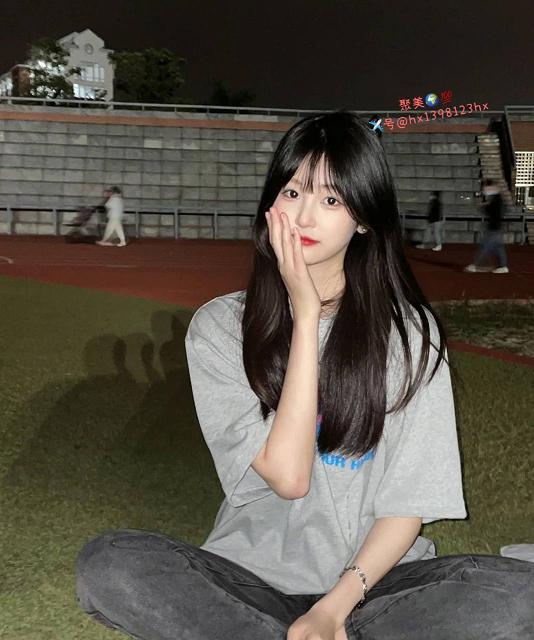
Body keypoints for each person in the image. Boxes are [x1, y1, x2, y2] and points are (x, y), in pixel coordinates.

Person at [75, 112, 534, 640]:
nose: (305, 217)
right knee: (109, 563)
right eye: (293, 193)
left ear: (363, 219)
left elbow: (405, 507)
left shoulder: (409, 333)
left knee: (518, 594)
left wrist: (333, 608)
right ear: (271, 204)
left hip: (375, 584)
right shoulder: (220, 328)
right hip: (250, 579)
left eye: (332, 200)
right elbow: (289, 477)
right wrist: (307, 315)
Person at [464, 179, 509, 273]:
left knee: (484, 246)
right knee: (498, 247)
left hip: (494, 226)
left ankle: (475, 265)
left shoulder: (496, 200)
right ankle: (503, 266)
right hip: (496, 226)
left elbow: (490, 211)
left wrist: (482, 206)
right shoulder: (497, 199)